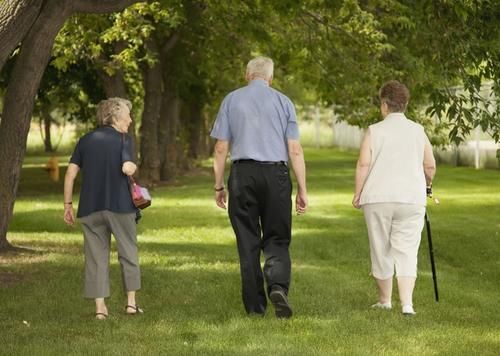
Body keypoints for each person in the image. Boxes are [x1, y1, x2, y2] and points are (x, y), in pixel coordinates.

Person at [210, 56, 308, 318]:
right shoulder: (283, 101)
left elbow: (221, 148)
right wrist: (302, 189)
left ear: (247, 74)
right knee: (277, 236)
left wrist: (219, 186)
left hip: (243, 174)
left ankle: (255, 308)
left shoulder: (231, 100)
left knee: (247, 240)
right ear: (270, 78)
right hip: (276, 174)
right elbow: (295, 150)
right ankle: (277, 286)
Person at [352, 80, 436, 315]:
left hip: (378, 197)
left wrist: (358, 193)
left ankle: (385, 300)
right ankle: (407, 304)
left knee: (381, 248)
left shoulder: (374, 131)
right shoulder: (418, 131)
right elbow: (429, 165)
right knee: (407, 250)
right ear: (405, 104)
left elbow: (363, 164)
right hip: (411, 198)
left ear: (384, 105)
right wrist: (428, 186)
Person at [63, 97, 143, 320]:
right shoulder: (123, 139)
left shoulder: (86, 140)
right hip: (120, 206)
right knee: (128, 252)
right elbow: (128, 167)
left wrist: (68, 204)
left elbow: (70, 174)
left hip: (90, 208)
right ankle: (131, 304)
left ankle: (100, 309)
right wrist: (132, 167)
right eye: (127, 114)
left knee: (96, 258)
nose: (130, 118)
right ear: (116, 116)